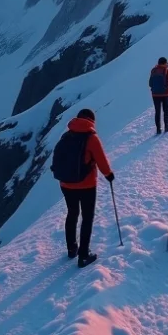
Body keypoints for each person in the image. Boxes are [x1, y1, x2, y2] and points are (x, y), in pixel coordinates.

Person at [51, 108, 114, 267]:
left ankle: (72, 249)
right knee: (87, 217)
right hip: (87, 185)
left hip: (66, 184)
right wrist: (109, 175)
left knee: (72, 213)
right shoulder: (91, 138)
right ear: (91, 121)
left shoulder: (66, 136)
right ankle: (84, 255)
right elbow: (101, 161)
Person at [149, 57, 168, 135]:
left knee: (157, 111)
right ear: (164, 63)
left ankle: (158, 129)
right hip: (165, 94)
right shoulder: (167, 71)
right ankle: (166, 127)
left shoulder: (153, 70)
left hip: (155, 94)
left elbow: (150, 83)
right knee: (166, 110)